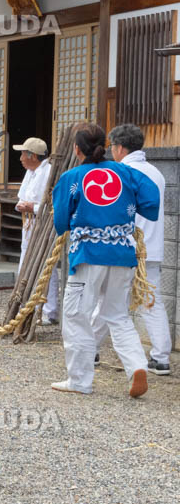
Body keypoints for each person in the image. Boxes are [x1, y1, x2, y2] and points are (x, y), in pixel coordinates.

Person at [50, 123, 159, 398]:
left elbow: (60, 221)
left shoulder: (72, 177)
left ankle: (79, 380)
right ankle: (136, 365)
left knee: (77, 316)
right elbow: (151, 202)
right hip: (122, 252)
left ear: (77, 149)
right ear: (106, 146)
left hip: (88, 254)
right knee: (118, 315)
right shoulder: (126, 172)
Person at [90, 124, 171, 376]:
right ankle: (161, 357)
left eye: (112, 146)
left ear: (120, 147)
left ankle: (90, 348)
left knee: (110, 301)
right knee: (151, 301)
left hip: (125, 246)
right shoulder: (156, 173)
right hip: (151, 248)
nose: (111, 151)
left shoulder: (120, 172)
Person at [12, 137, 58, 324]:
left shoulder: (48, 172)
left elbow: (53, 205)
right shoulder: (31, 172)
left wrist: (33, 207)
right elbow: (23, 197)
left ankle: (48, 310)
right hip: (29, 224)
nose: (21, 158)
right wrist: (22, 206)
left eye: (23, 154)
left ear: (32, 155)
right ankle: (28, 305)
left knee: (45, 265)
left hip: (43, 224)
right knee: (26, 263)